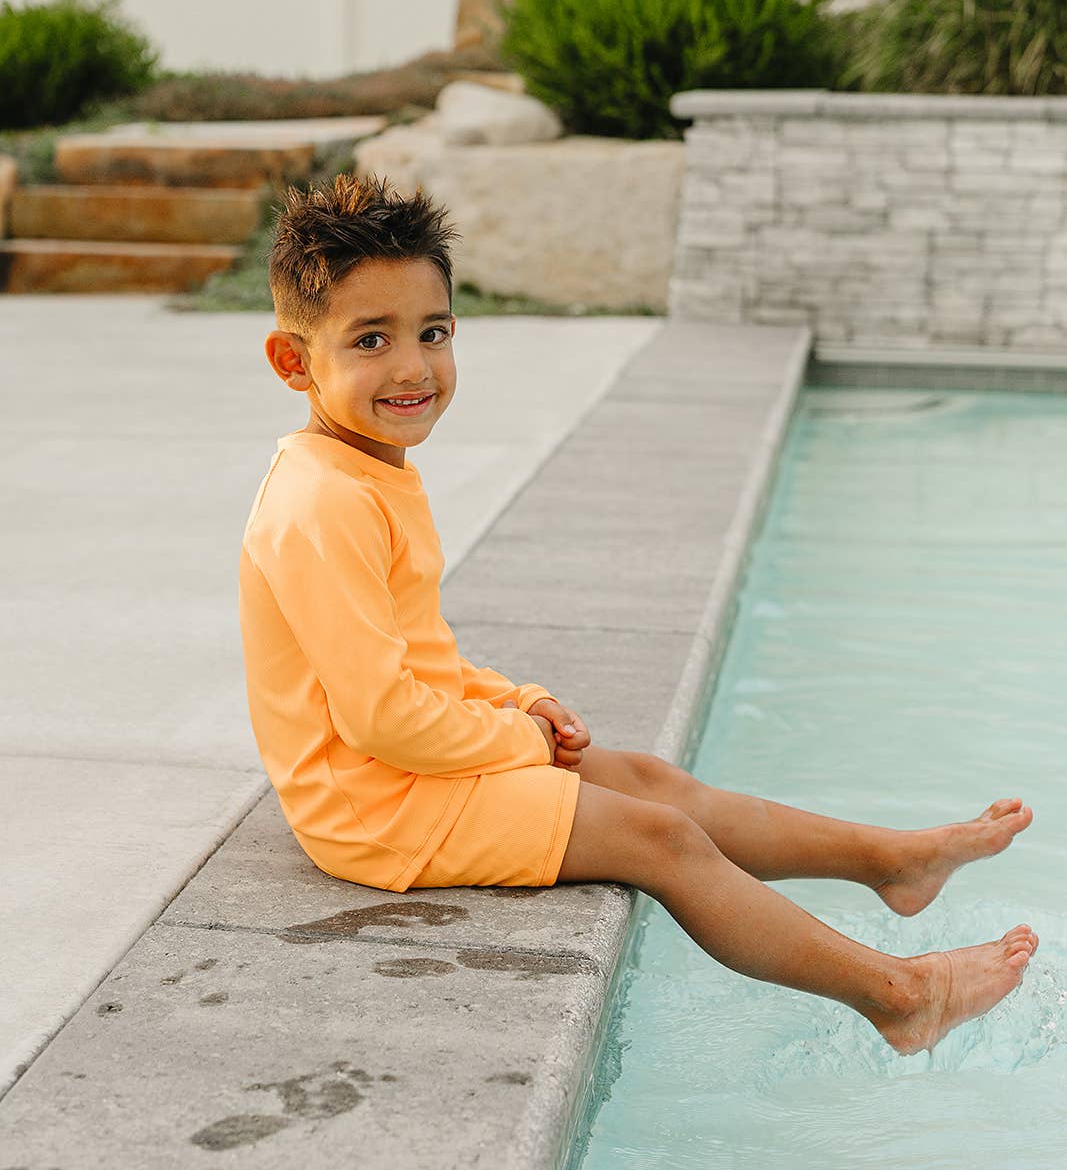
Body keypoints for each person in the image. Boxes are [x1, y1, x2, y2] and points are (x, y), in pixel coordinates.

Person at [239, 171, 1038, 1058]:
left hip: (404, 769)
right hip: (373, 809)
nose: (412, 367)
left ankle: (891, 862)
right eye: (369, 340)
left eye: (432, 332)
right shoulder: (322, 502)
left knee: (652, 781)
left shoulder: (365, 467)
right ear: (294, 361)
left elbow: (411, 653)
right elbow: (379, 715)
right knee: (657, 837)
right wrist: (520, 744)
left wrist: (513, 700)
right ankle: (899, 996)